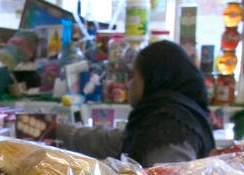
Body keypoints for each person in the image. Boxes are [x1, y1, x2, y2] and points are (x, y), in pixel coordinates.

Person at [55, 40, 215, 167]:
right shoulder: (155, 124)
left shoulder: (169, 131)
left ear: (153, 80)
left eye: (134, 76)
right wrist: (53, 129)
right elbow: (108, 140)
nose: (128, 84)